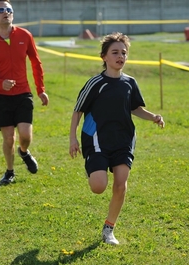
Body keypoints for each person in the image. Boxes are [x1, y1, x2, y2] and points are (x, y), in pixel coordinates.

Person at [69, 32, 165, 245]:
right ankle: (95, 168)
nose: (120, 56)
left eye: (124, 52)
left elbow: (135, 108)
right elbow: (77, 110)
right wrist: (73, 139)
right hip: (96, 139)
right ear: (104, 57)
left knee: (121, 184)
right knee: (98, 186)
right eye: (115, 52)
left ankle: (109, 228)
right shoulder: (95, 83)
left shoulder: (130, 82)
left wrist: (153, 117)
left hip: (123, 138)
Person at [0, 0, 49, 185]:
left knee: (25, 135)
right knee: (9, 137)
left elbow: (36, 63)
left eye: (9, 10)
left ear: (13, 15)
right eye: (0, 10)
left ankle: (24, 152)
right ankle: (9, 172)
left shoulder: (25, 36)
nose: (5, 12)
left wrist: (41, 90)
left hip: (22, 93)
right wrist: (0, 83)